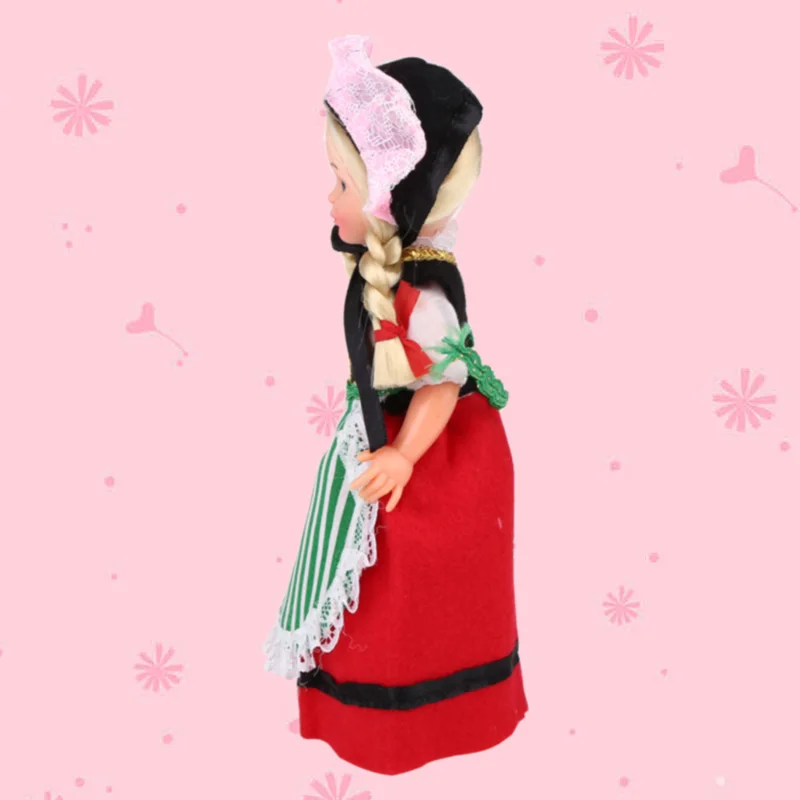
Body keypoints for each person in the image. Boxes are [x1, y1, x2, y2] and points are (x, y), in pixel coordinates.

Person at [263, 33, 528, 775]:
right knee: (367, 581)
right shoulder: (389, 274)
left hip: (428, 456)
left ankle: (422, 715)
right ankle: (355, 705)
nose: (330, 198)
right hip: (383, 439)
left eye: (342, 183)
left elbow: (442, 382)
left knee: (412, 588)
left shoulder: (425, 291)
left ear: (388, 196)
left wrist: (406, 454)